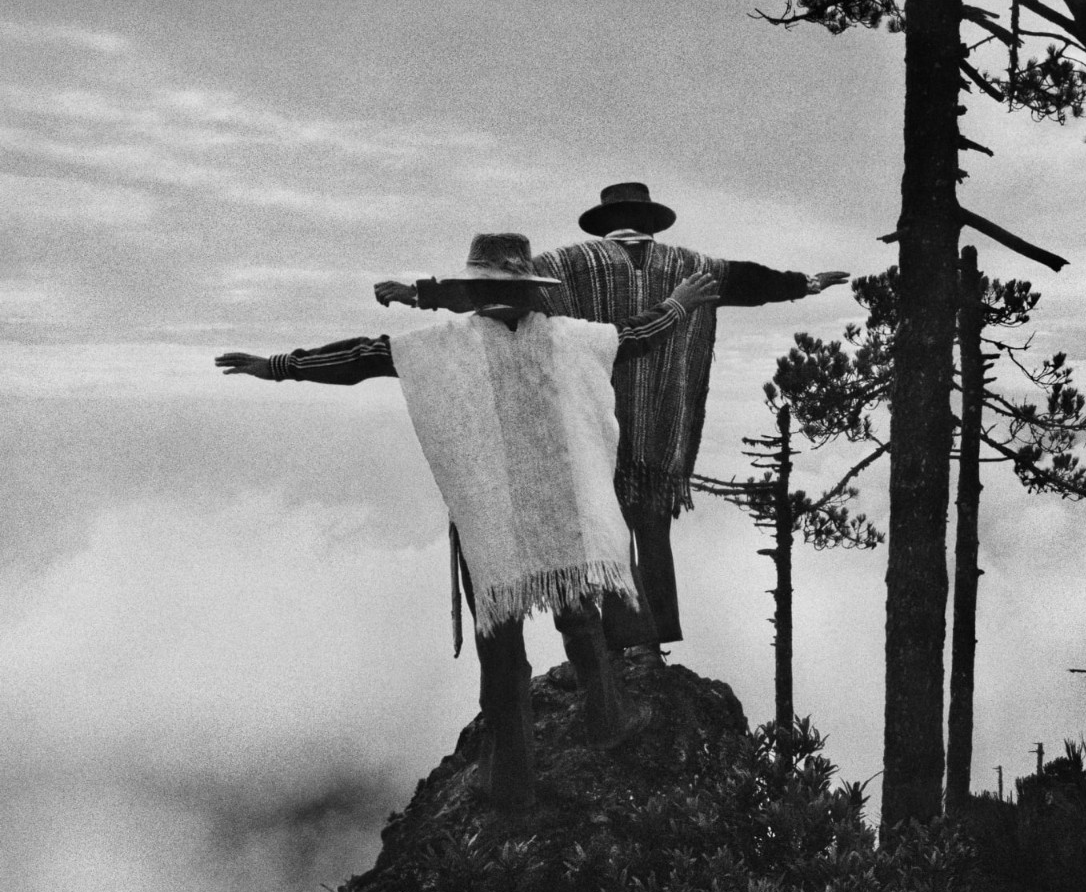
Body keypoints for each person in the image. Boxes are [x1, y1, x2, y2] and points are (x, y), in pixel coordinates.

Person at [218, 232, 719, 810]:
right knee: (579, 616)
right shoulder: (570, 340)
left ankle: (512, 784)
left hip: (491, 521)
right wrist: (679, 303)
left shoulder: (444, 347)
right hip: (565, 511)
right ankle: (608, 718)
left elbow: (363, 356)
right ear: (534, 291)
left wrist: (277, 366)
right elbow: (636, 336)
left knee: (502, 652)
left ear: (475, 290)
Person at [376, 183, 848, 661]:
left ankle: (617, 641)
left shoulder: (569, 265)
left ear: (606, 221)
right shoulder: (691, 267)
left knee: (607, 529)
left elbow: (495, 287)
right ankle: (653, 640)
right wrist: (805, 283)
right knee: (654, 530)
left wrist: (421, 294)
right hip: (663, 426)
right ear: (649, 221)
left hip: (595, 421)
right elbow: (752, 281)